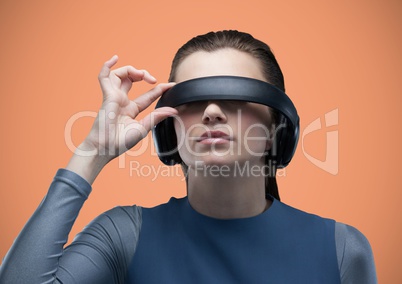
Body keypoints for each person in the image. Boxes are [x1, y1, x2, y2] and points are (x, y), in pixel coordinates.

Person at [0, 30, 377, 283]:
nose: (212, 110)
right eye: (193, 100)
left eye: (234, 96)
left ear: (277, 127)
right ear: (169, 128)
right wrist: (92, 152)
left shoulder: (343, 249)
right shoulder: (123, 236)